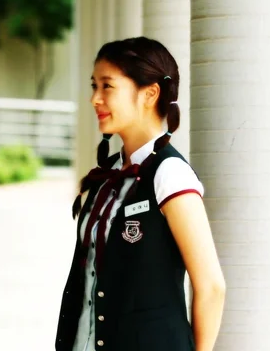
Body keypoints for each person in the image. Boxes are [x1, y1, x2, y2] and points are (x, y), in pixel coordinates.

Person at [54, 37, 226, 351]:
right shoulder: (107, 175)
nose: (95, 98)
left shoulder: (169, 174)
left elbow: (211, 287)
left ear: (149, 94)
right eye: (94, 86)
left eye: (107, 86)